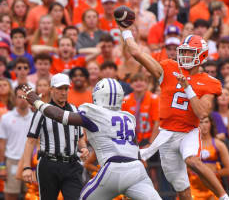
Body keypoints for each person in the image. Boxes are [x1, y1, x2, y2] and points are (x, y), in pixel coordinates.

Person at [119, 25, 229, 199]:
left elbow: (201, 113)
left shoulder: (209, 82)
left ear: (201, 56)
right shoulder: (168, 68)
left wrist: (188, 88)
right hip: (166, 135)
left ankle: (225, 198)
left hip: (188, 132)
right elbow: (137, 53)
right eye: (183, 52)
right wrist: (125, 31)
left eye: (190, 53)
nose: (185, 56)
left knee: (192, 160)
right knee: (181, 186)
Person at [21, 77, 161, 200]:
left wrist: (37, 102)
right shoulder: (128, 117)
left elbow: (59, 116)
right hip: (137, 170)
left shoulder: (94, 113)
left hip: (113, 169)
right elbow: (134, 148)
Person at [21, 73, 89, 200]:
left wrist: (84, 148)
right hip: (49, 164)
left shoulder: (75, 109)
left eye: (66, 88)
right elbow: (31, 141)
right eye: (59, 88)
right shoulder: (41, 111)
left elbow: (80, 137)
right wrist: (26, 167)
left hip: (72, 164)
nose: (63, 92)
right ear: (51, 89)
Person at [0, 85, 33, 200]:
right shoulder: (6, 118)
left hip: (31, 163)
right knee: (10, 195)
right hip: (12, 161)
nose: (22, 100)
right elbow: (2, 145)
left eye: (25, 97)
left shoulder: (35, 118)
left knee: (32, 195)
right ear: (14, 98)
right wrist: (2, 167)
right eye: (19, 97)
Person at [189, 116, 229, 199]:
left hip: (213, 187)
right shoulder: (190, 144)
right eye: (201, 122)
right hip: (193, 188)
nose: (204, 125)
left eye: (206, 122)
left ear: (211, 124)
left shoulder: (218, 144)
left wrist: (212, 174)